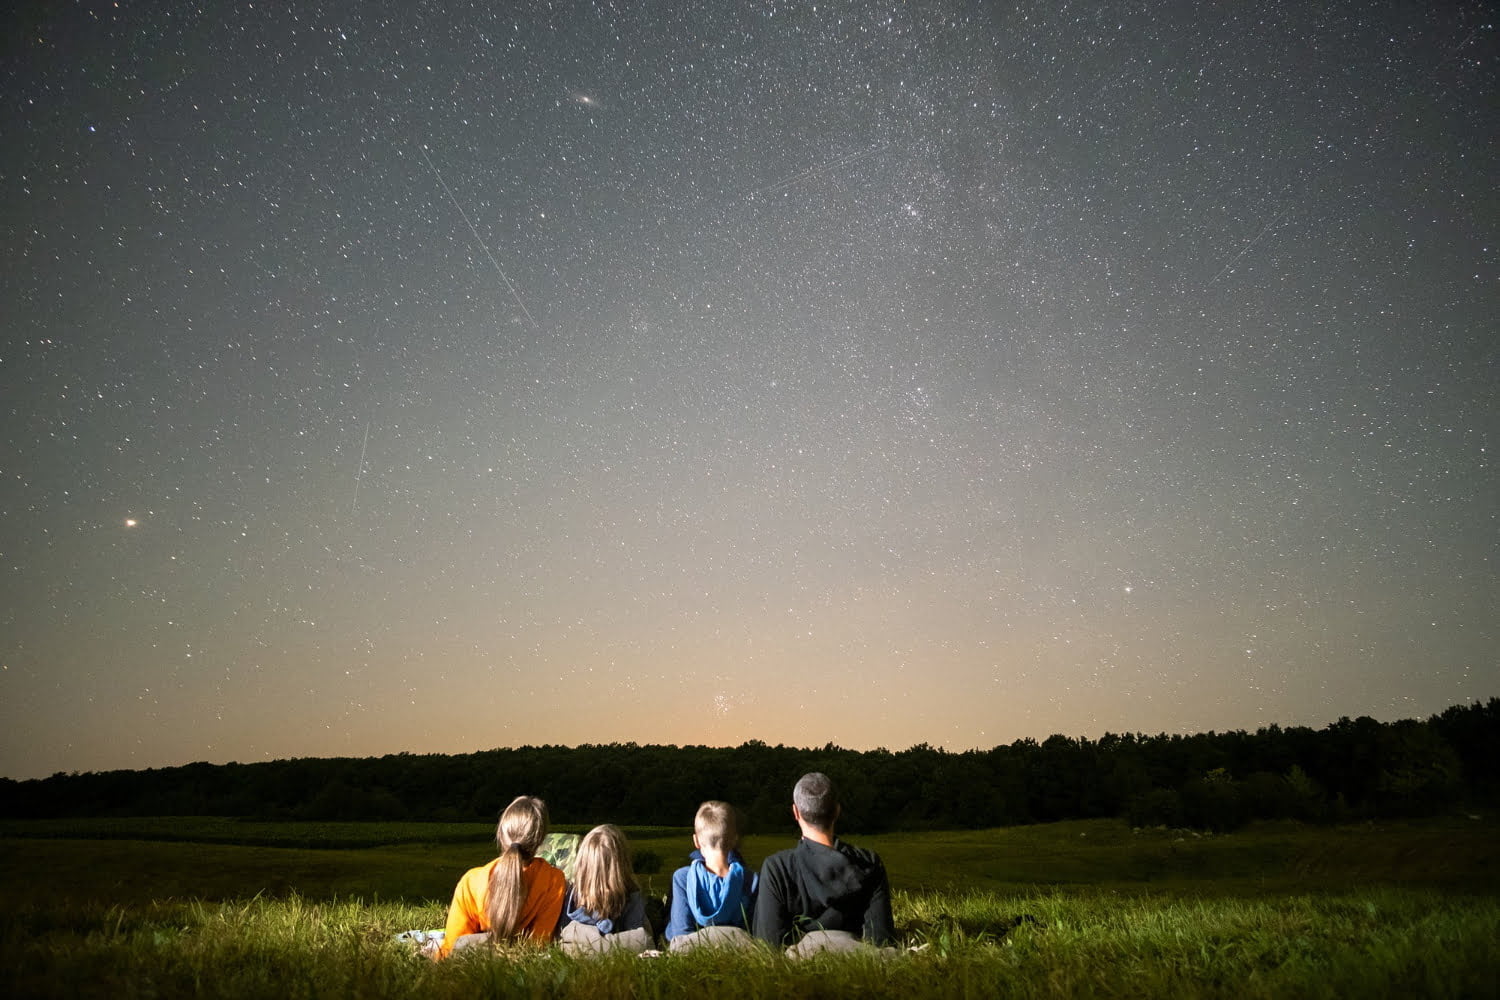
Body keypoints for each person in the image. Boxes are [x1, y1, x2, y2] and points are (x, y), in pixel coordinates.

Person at [751, 772, 895, 951]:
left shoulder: (777, 868)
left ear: (795, 812)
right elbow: (883, 940)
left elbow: (768, 945)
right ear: (837, 810)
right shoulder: (869, 863)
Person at [436, 795, 568, 957]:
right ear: (539, 840)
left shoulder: (471, 882)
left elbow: (452, 948)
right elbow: (539, 944)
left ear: (501, 833)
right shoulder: (554, 880)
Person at [664, 800, 760, 951]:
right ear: (734, 839)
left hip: (693, 949)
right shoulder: (752, 880)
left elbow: (680, 933)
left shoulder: (683, 878)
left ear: (696, 840)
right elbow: (754, 932)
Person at [557, 824, 653, 955]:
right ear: (621, 865)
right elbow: (641, 940)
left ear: (582, 864)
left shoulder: (629, 896)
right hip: (617, 947)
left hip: (580, 946)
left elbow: (642, 940)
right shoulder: (572, 896)